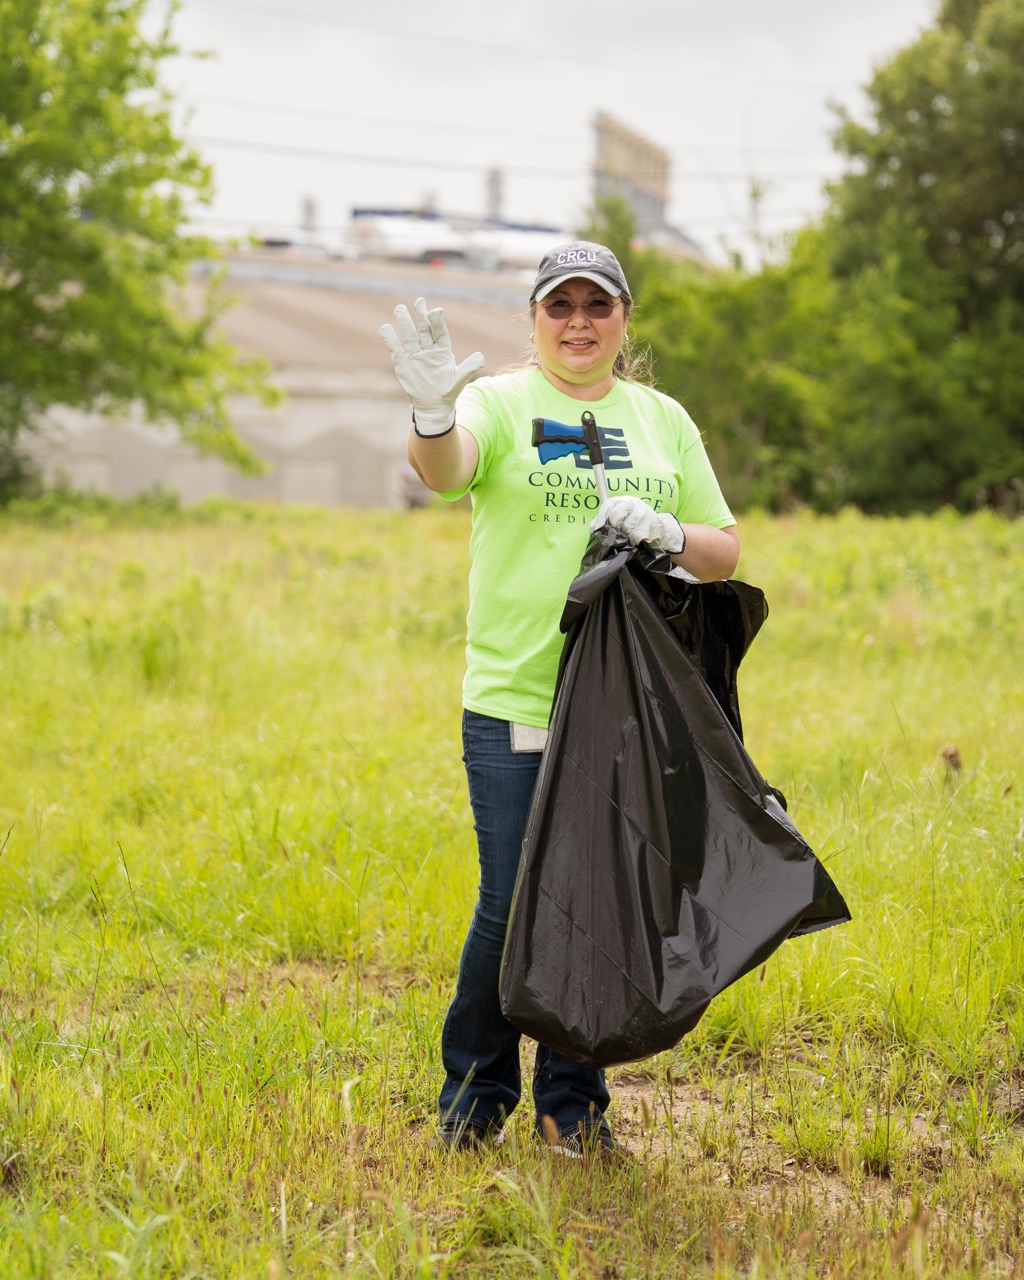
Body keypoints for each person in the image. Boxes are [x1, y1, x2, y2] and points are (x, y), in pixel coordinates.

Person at [380, 241, 739, 1157]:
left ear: (624, 316)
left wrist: (669, 530)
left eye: (598, 305)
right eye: (560, 305)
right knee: (512, 901)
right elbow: (445, 471)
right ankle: (474, 1095)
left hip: (625, 705)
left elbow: (723, 552)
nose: (579, 322)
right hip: (518, 699)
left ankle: (570, 1108)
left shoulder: (662, 417)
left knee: (597, 902)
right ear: (535, 317)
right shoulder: (499, 403)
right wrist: (430, 413)